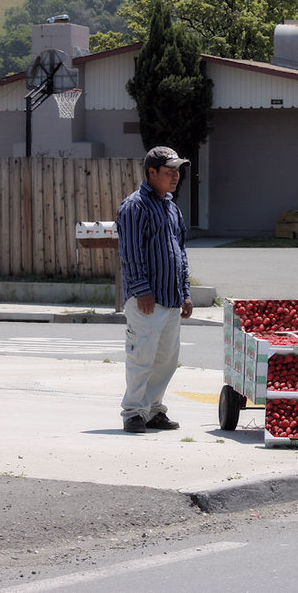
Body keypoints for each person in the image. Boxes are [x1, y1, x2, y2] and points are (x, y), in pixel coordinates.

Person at [115, 146, 194, 433]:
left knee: (165, 362)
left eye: (177, 171)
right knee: (141, 359)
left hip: (171, 298)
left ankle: (153, 410)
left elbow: (180, 253)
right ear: (151, 173)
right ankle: (134, 412)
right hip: (146, 299)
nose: (175, 176)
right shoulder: (135, 206)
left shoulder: (171, 207)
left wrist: (185, 291)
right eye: (168, 171)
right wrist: (141, 289)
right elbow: (131, 252)